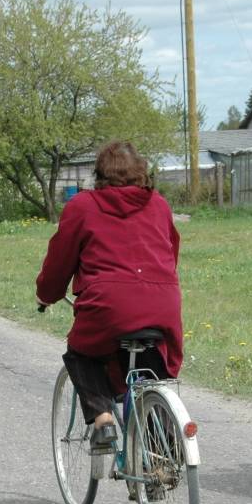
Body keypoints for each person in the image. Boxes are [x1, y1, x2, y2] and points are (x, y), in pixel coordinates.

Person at [36, 141, 183, 454]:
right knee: (150, 369)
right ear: (141, 172)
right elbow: (171, 254)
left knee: (81, 352)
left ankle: (103, 417)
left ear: (99, 174)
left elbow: (60, 261)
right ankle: (161, 456)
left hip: (108, 305)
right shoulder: (158, 204)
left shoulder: (82, 206)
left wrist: (47, 295)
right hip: (162, 303)